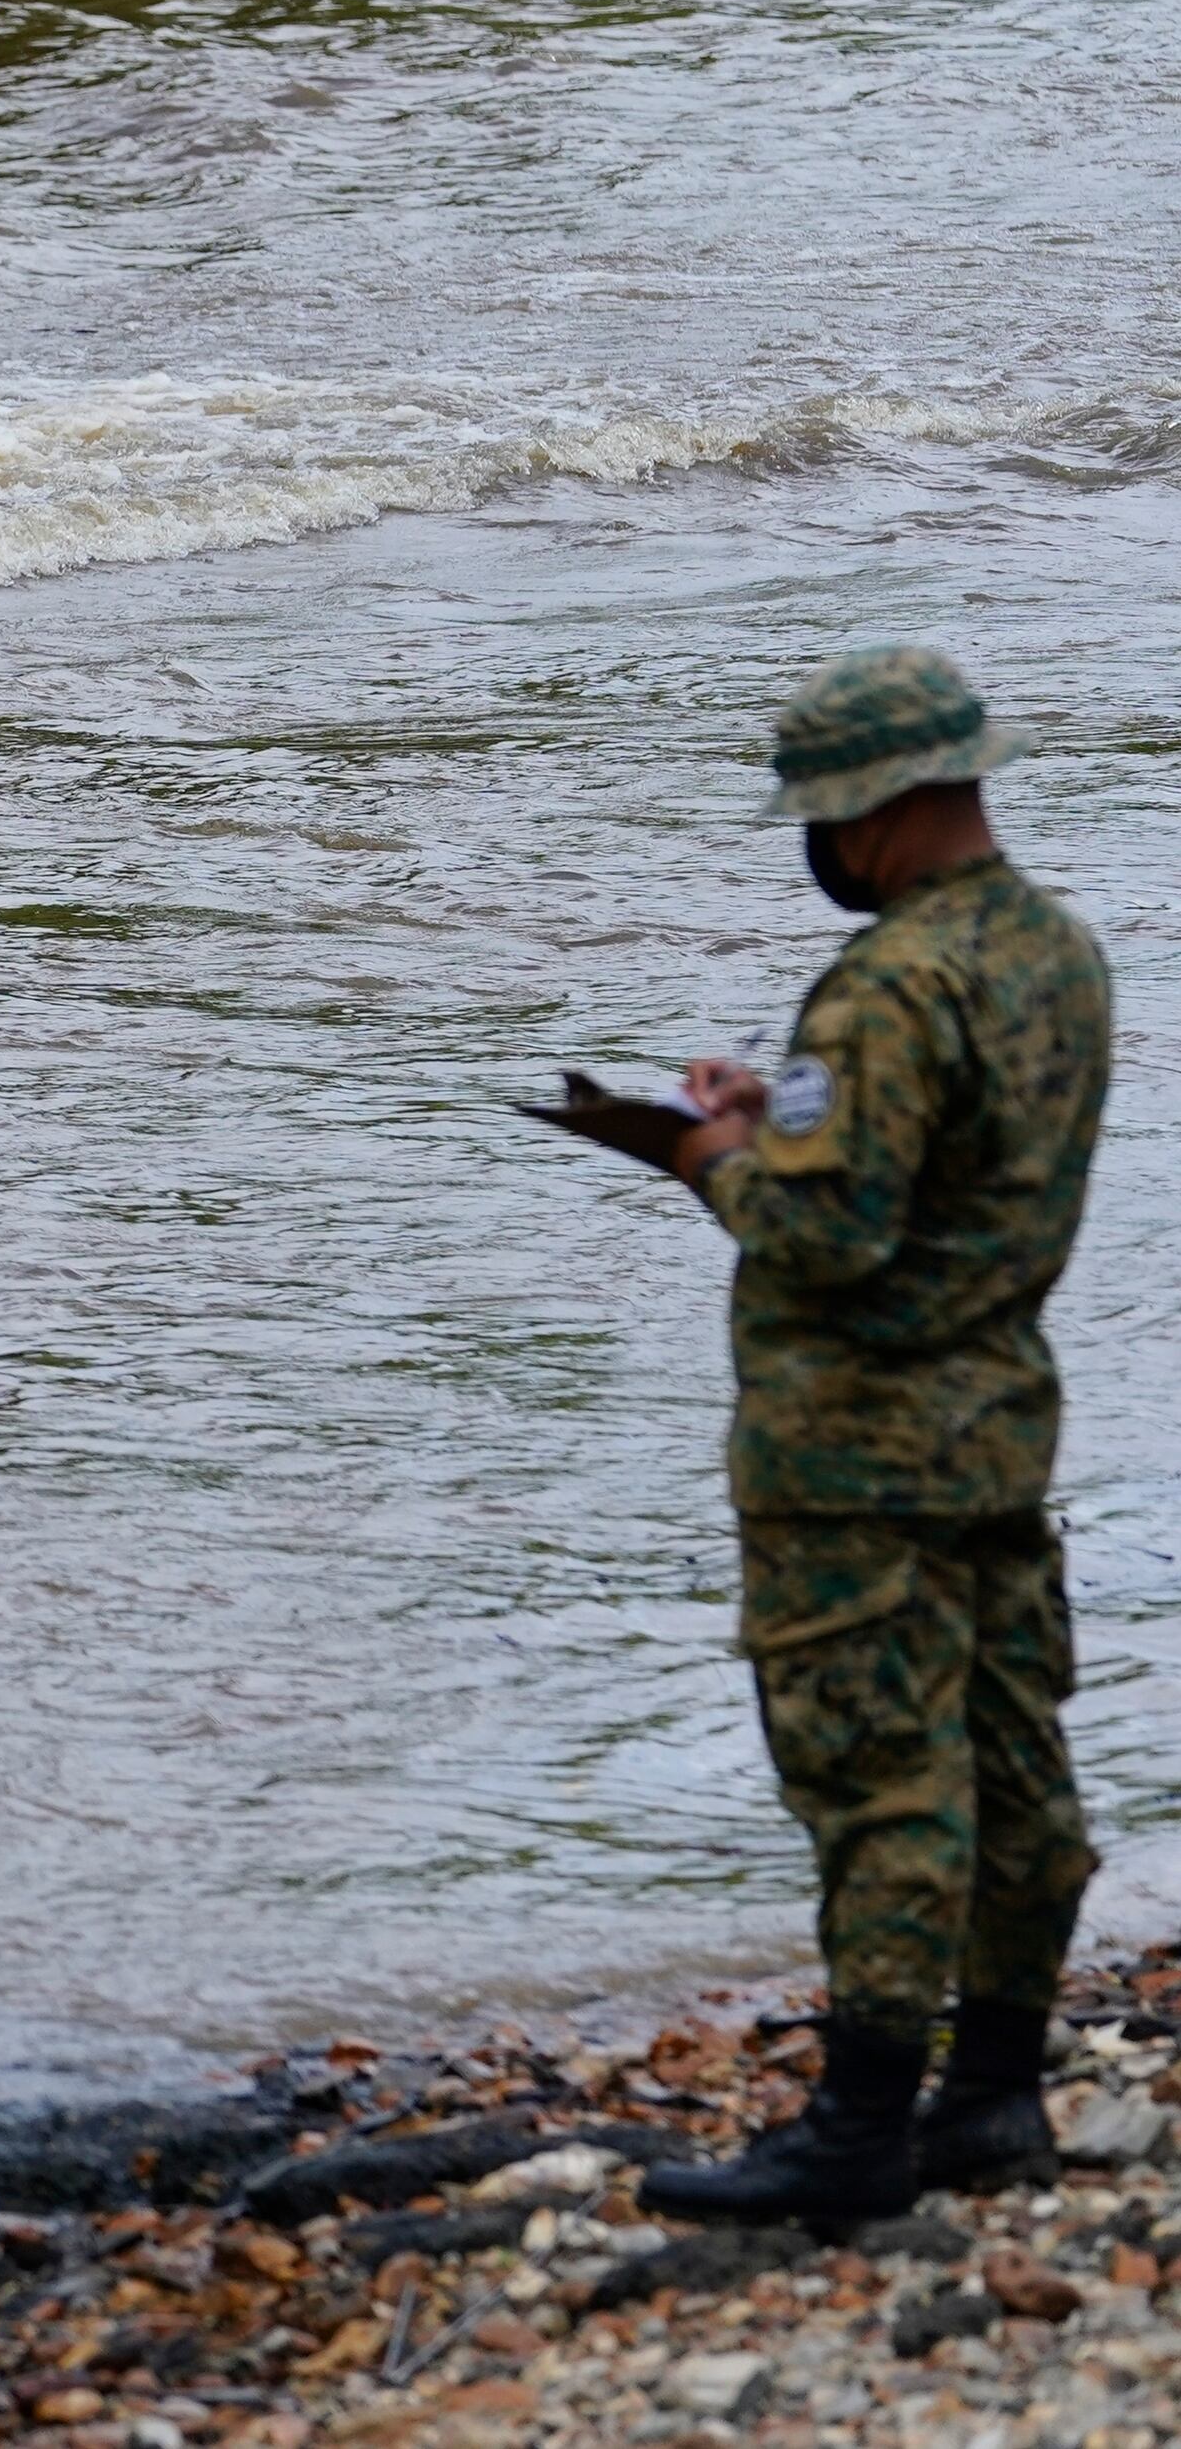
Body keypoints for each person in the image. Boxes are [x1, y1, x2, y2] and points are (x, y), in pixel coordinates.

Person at [635, 650, 1112, 2229]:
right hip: (995, 1433)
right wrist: (792, 1113)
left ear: (877, 811)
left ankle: (852, 2139)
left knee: (883, 1785)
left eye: (825, 816)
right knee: (1015, 1763)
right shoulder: (1058, 954)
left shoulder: (892, 982)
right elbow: (948, 1172)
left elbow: (832, 1237)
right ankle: (993, 2096)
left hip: (856, 1460)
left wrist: (716, 1157)